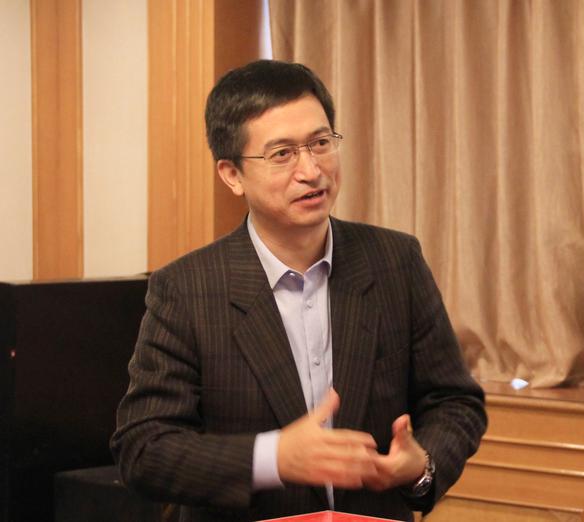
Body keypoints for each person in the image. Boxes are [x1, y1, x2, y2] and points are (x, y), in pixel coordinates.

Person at [111, 59, 486, 522]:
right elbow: (144, 450)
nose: (311, 170)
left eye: (321, 143)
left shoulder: (395, 261)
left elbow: (454, 401)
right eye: (283, 153)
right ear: (232, 174)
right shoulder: (186, 290)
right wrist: (273, 458)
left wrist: (420, 467)